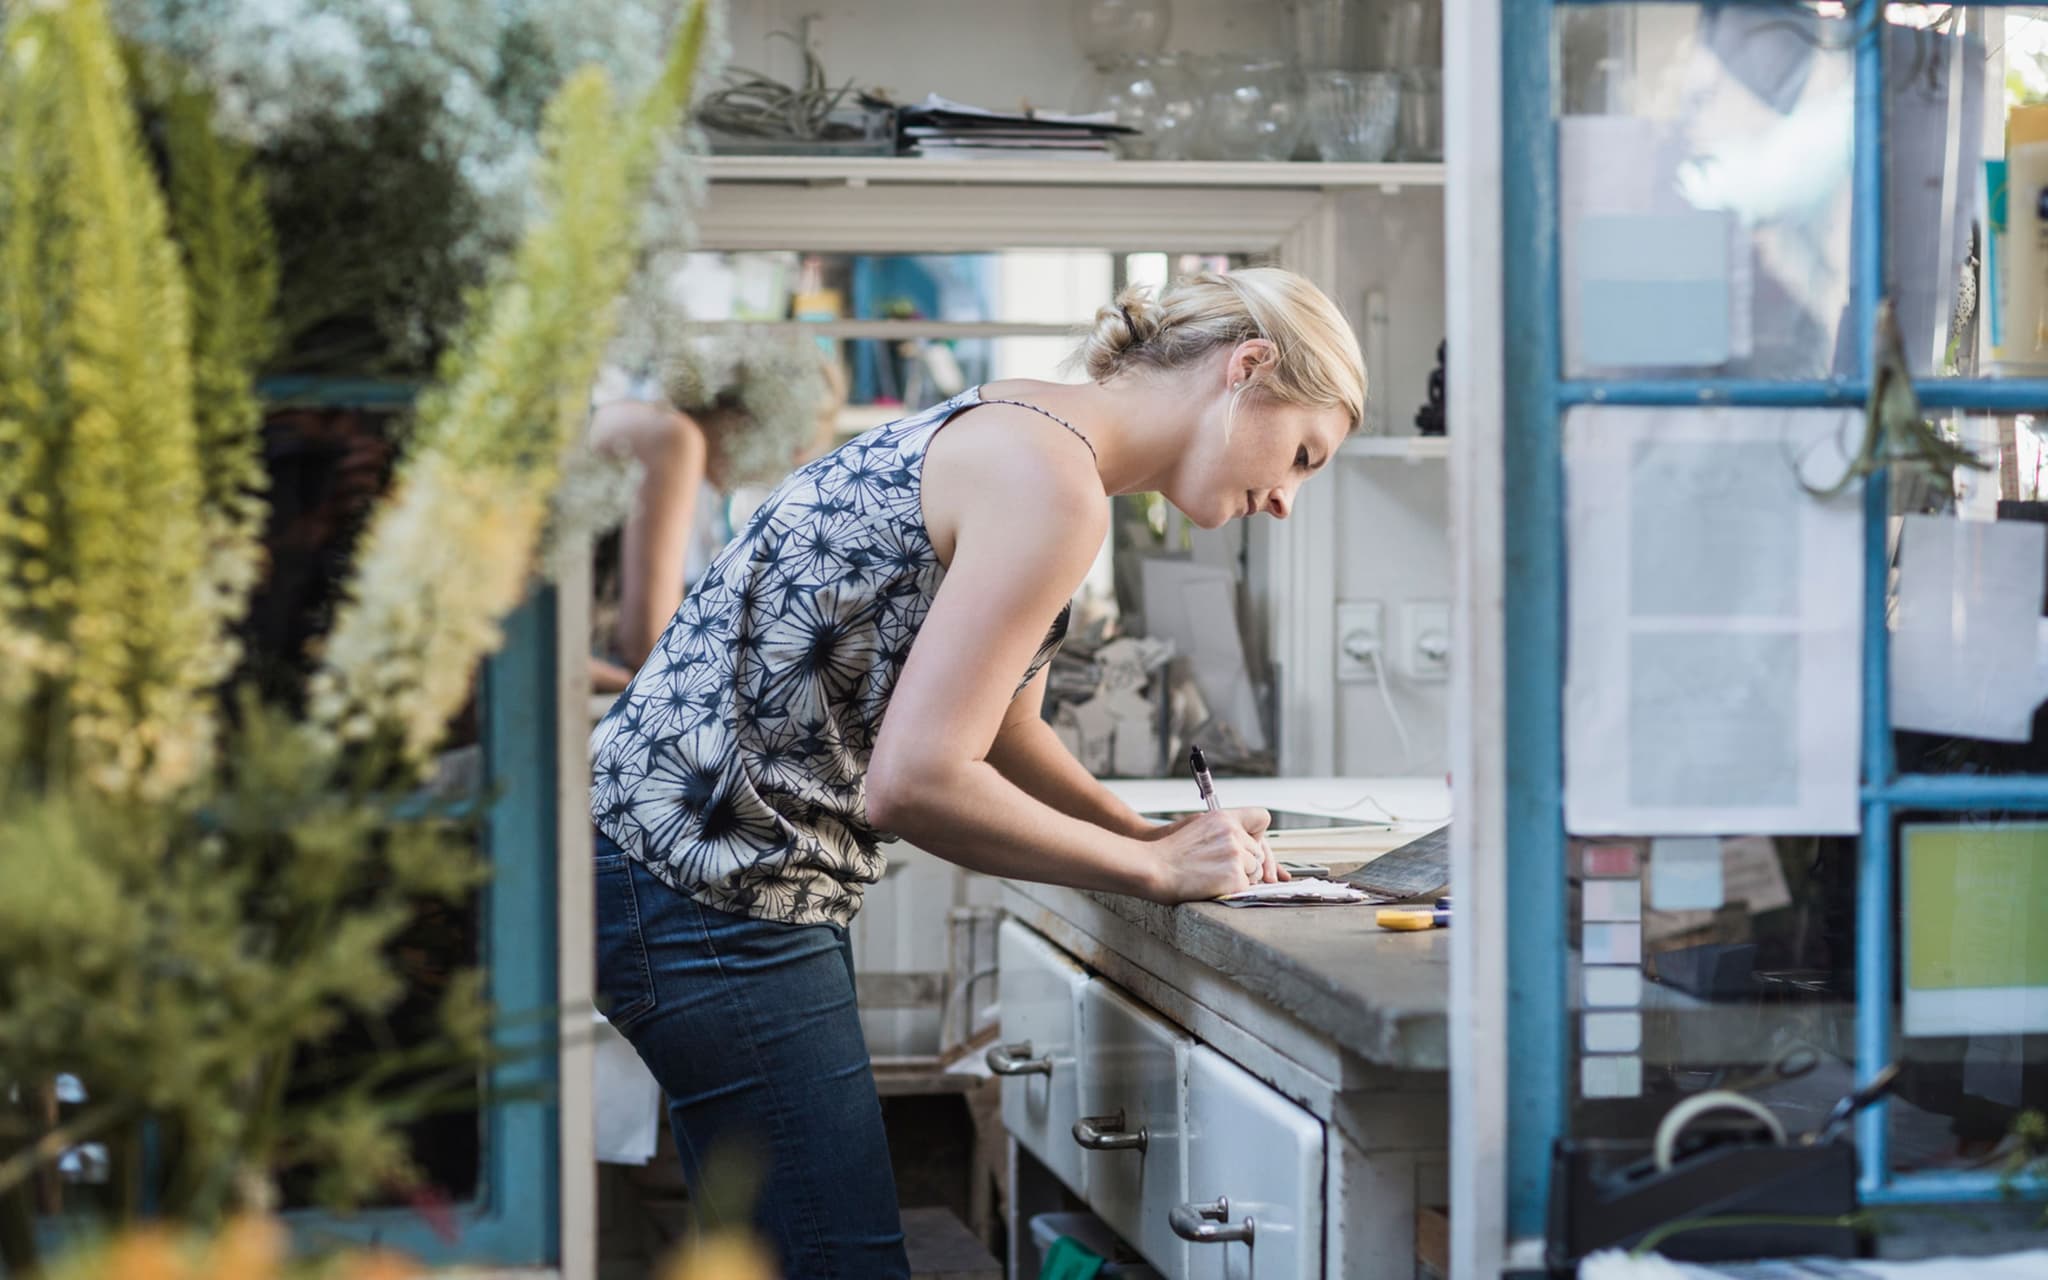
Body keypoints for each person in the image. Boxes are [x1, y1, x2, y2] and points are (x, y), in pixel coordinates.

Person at [588, 267, 1366, 1277]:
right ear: (1246, 368)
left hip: (675, 871)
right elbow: (914, 781)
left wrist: (1139, 833)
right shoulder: (1052, 486)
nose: (1286, 500)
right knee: (839, 1259)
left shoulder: (1024, 430)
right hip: (709, 892)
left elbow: (999, 728)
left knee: (773, 1251)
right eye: (1301, 453)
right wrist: (1153, 874)